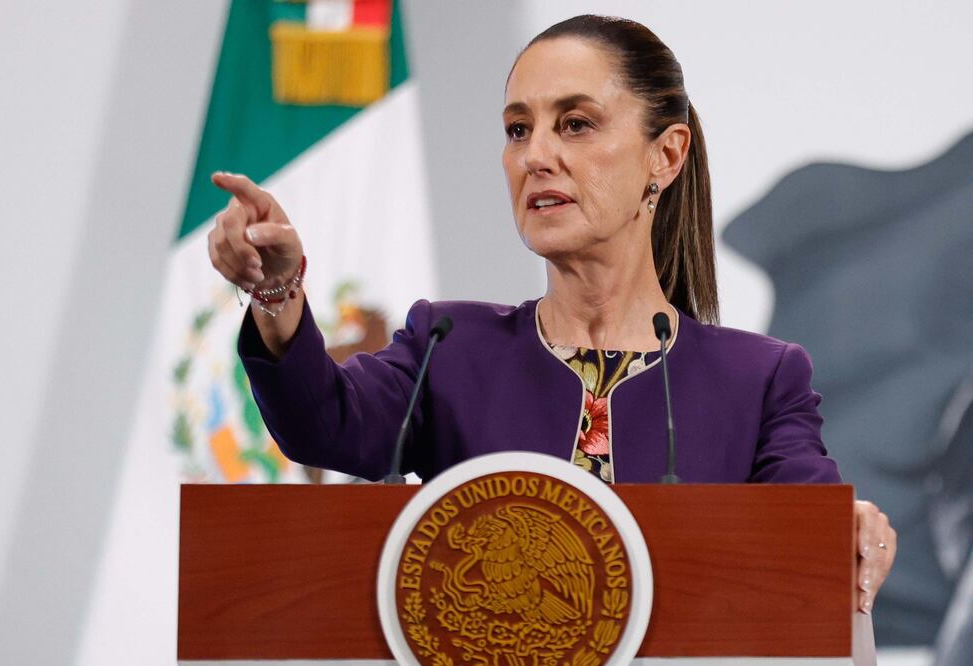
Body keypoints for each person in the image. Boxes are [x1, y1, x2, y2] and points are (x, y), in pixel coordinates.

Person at [206, 14, 895, 614]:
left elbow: (807, 538)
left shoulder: (761, 379)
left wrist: (843, 527)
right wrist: (277, 291)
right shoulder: (448, 348)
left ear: (666, 154)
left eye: (574, 124)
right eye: (516, 129)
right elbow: (322, 424)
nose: (535, 156)